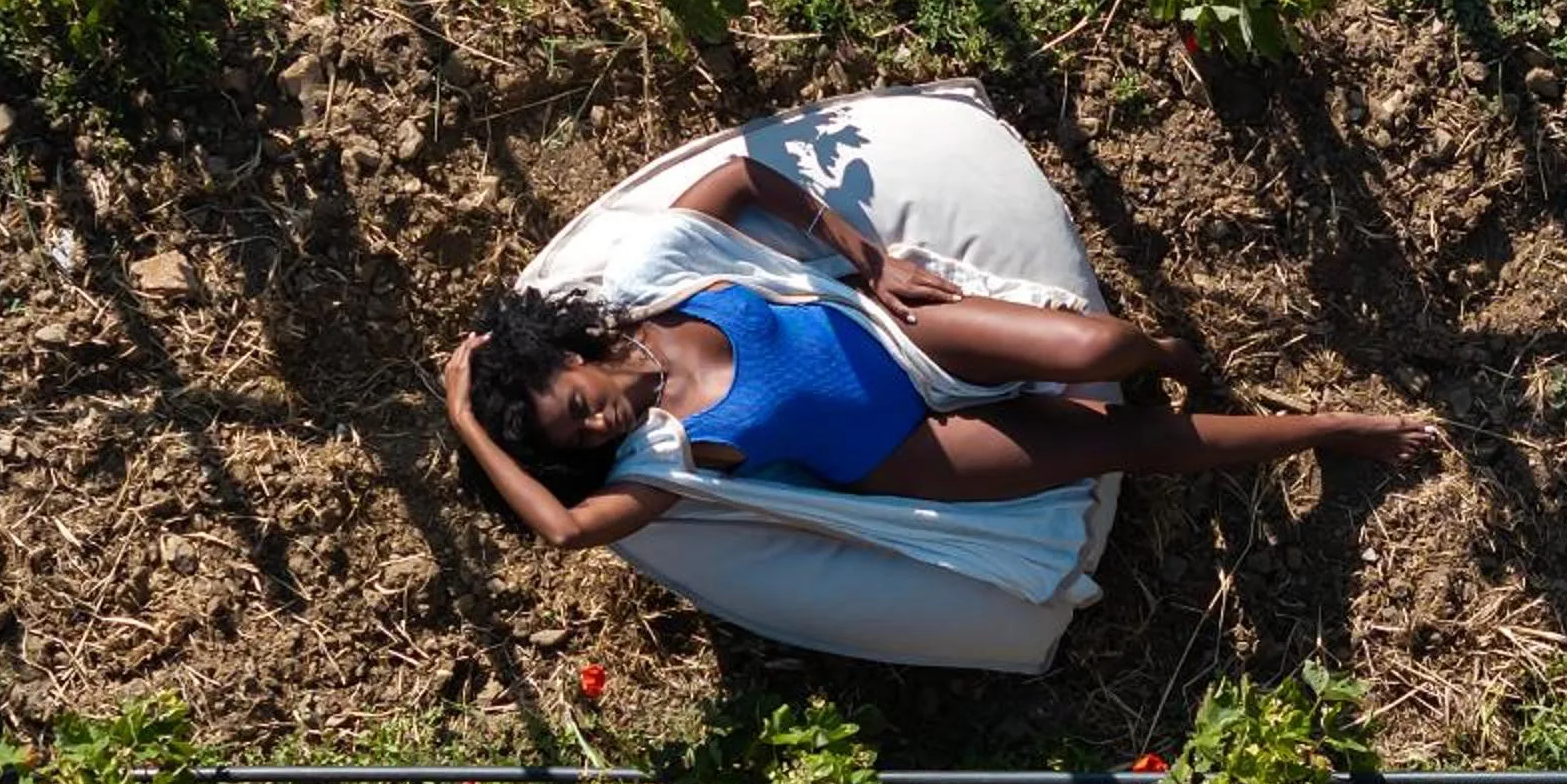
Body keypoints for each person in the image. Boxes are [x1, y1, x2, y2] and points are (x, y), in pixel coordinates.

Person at [445, 152, 1437, 552]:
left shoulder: (649, 277)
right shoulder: (661, 455)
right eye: (577, 437)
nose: (597, 423)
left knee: (1113, 345)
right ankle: (1332, 429)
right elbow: (569, 533)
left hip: (896, 333)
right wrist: (462, 418)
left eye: (575, 404)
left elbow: (744, 175)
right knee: (1117, 443)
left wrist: (861, 257)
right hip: (905, 451)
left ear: (563, 355)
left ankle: (1174, 351)